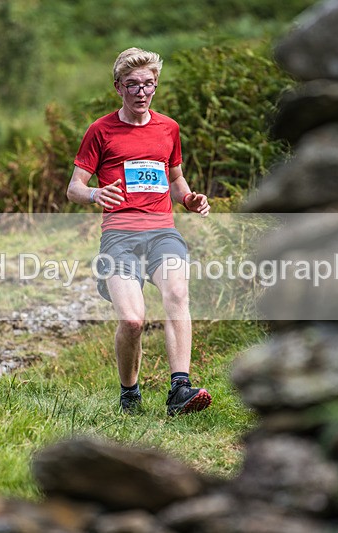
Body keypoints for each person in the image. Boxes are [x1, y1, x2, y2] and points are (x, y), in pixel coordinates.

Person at [66, 47, 212, 416]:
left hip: (163, 231)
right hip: (120, 236)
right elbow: (74, 188)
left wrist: (189, 199)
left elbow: (175, 177)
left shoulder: (169, 128)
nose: (141, 92)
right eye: (132, 85)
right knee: (132, 320)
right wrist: (96, 192)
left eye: (148, 84)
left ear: (155, 85)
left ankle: (179, 388)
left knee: (177, 294)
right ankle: (129, 393)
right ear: (118, 87)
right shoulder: (100, 131)